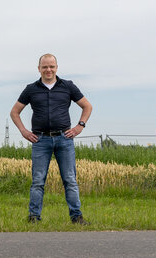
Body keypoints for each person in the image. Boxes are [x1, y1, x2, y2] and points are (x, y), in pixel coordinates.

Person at [9, 53, 93, 224]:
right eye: (45, 67)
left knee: (70, 180)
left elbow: (87, 106)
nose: (48, 70)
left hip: (64, 139)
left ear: (56, 67)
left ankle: (76, 217)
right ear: (39, 69)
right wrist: (24, 131)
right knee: (38, 181)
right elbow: (14, 112)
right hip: (40, 141)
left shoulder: (68, 86)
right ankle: (34, 217)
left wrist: (79, 126)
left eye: (51, 66)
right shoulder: (31, 89)